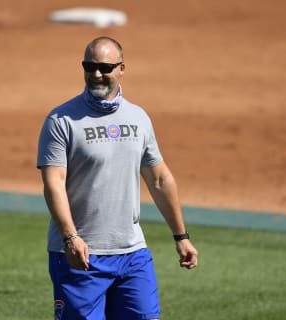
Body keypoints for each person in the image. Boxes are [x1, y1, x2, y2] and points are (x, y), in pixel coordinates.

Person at [36, 36, 198, 320]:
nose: (96, 74)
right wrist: (70, 237)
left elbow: (159, 179)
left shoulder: (138, 118)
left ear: (122, 68)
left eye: (105, 67)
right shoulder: (61, 121)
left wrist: (181, 236)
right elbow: (53, 185)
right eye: (90, 66)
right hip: (82, 256)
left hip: (132, 254)